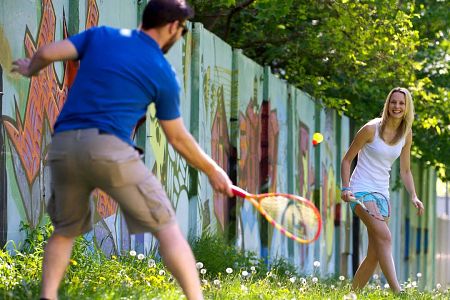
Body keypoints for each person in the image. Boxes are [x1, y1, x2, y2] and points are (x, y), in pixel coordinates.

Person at [12, 1, 233, 299]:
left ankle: (47, 295)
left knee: (64, 231)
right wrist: (213, 170)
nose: (179, 37)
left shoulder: (101, 35)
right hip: (110, 150)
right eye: (181, 31)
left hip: (64, 147)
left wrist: (30, 68)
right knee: (166, 227)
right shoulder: (162, 72)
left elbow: (48, 53)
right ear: (171, 26)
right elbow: (178, 138)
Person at [340, 87, 424, 294]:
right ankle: (398, 292)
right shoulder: (371, 129)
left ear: (407, 108)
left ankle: (351, 295)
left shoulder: (406, 134)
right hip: (360, 191)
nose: (397, 106)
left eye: (401, 103)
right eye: (393, 102)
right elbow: (346, 159)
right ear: (388, 104)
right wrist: (345, 188)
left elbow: (405, 170)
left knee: (375, 253)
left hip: (382, 194)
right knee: (385, 238)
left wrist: (413, 195)